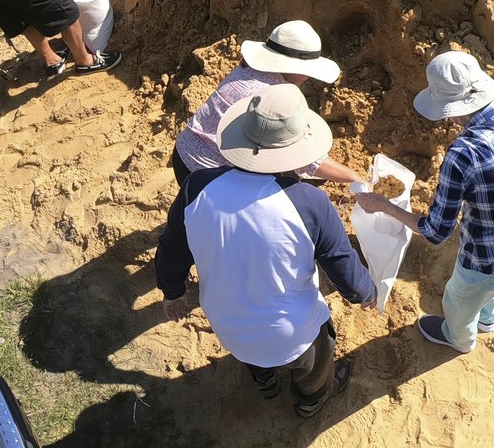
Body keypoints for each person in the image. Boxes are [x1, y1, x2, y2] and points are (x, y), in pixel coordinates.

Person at [155, 84, 375, 418]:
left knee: (254, 355)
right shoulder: (310, 202)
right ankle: (310, 400)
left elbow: (172, 250)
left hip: (225, 321)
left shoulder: (196, 187)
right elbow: (343, 266)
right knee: (315, 359)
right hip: (291, 332)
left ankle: (265, 382)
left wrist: (172, 292)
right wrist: (365, 292)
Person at [354, 51, 494, 354]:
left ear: (450, 109)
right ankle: (487, 320)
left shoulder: (464, 154)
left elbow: (436, 231)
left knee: (458, 299)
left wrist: (383, 205)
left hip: (492, 260)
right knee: (489, 290)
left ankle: (459, 339)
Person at [172, 20, 364, 187]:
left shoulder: (246, 71)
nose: (308, 77)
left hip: (183, 154)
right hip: (206, 174)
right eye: (307, 70)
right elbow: (303, 160)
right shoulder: (272, 95)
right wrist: (354, 178)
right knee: (288, 183)